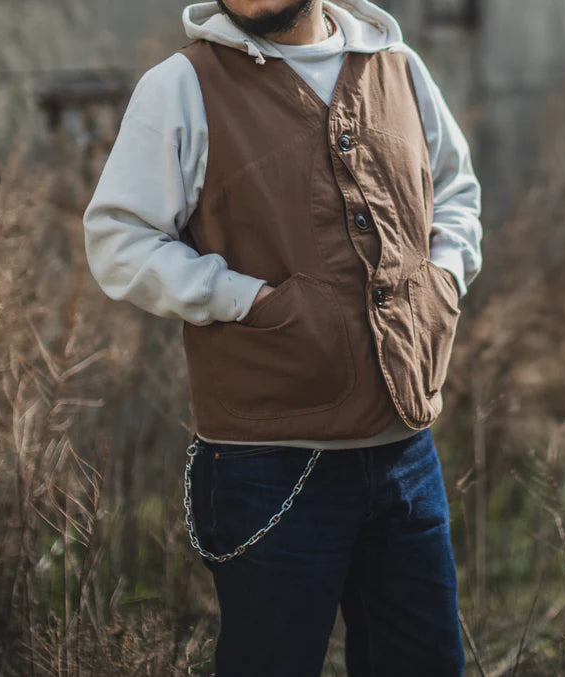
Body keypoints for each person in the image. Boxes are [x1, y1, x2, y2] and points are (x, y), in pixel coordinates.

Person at [81, 0, 483, 674]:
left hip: (405, 450)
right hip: (266, 460)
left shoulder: (399, 67)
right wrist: (247, 300)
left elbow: (457, 192)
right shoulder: (181, 87)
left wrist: (439, 279)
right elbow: (118, 242)